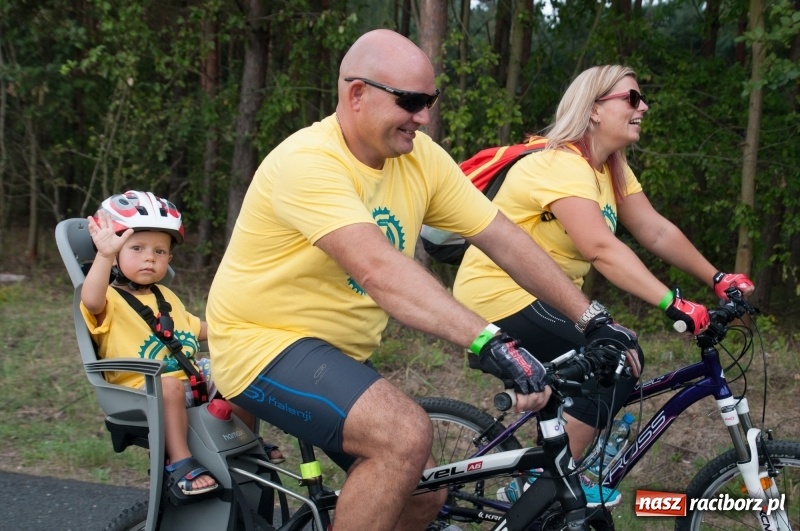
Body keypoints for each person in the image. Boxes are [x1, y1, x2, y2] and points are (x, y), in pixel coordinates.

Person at [206, 30, 639, 530]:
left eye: (429, 101)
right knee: (402, 435)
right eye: (411, 102)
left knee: (423, 497)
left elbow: (502, 237)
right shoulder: (308, 163)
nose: (425, 116)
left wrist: (590, 318)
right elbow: (379, 271)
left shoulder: (421, 158)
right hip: (260, 344)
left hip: (336, 354)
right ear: (356, 95)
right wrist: (491, 341)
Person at [453, 65, 755, 506]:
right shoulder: (559, 163)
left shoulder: (610, 168)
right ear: (594, 110)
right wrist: (673, 303)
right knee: (615, 357)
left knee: (596, 370)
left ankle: (552, 478)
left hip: (549, 297)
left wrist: (716, 278)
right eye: (632, 98)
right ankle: (541, 490)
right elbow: (600, 247)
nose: (643, 106)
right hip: (499, 293)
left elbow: (655, 231)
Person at [80, 191, 284, 505]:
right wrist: (105, 257)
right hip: (139, 388)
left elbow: (198, 329)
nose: (150, 257)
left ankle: (246, 442)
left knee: (236, 369)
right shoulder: (108, 298)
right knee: (169, 387)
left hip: (188, 377)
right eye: (136, 248)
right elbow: (90, 299)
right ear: (114, 252)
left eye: (160, 251)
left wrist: (242, 332)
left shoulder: (166, 297)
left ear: (169, 260)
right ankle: (180, 462)